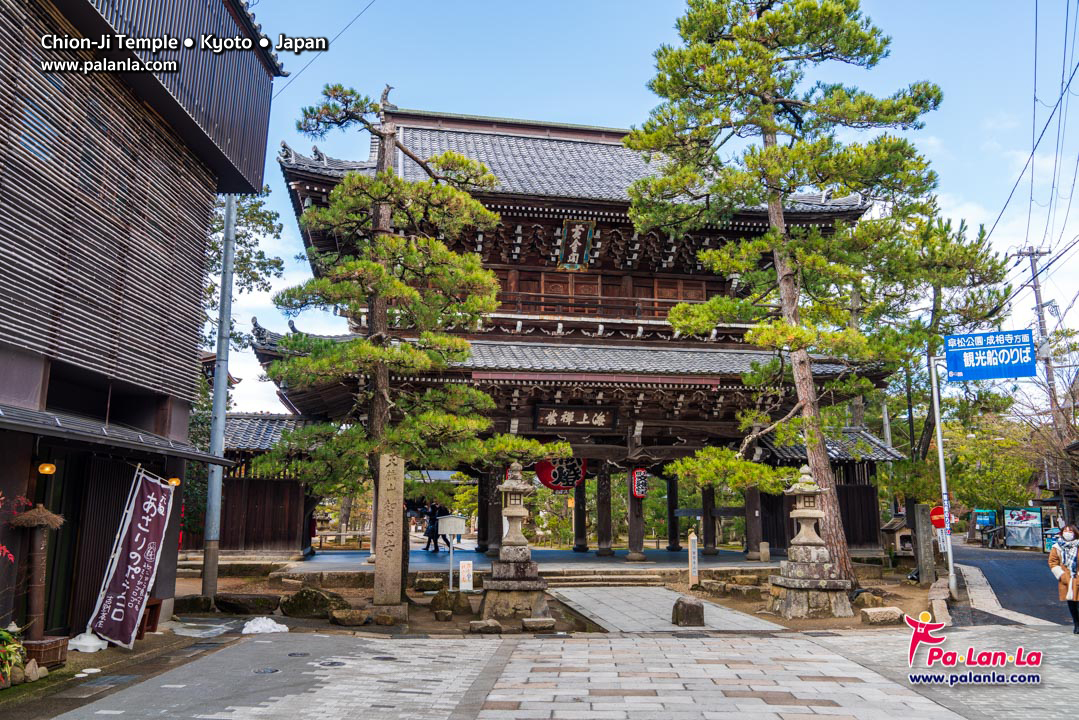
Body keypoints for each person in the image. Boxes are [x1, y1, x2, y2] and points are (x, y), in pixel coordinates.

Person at [1048, 523, 1079, 633]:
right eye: (1065, 531)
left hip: (1078, 577)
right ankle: (1076, 624)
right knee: (1072, 603)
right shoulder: (1057, 547)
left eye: (1070, 531)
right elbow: (1053, 562)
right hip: (1067, 578)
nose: (1068, 533)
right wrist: (1061, 575)